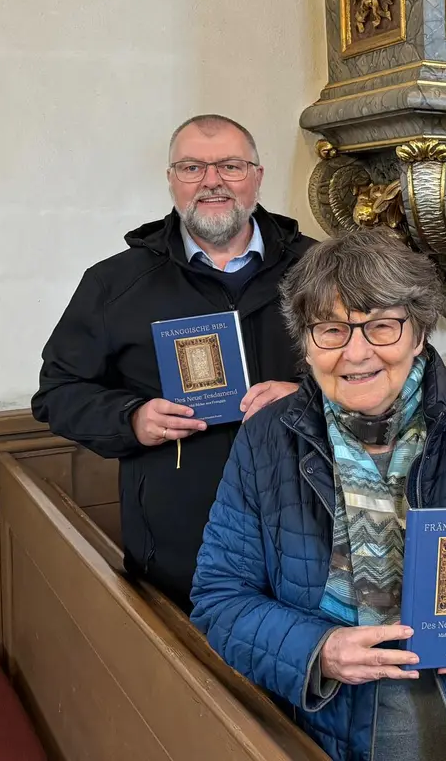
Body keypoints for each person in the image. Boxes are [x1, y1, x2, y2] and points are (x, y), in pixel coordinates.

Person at [189, 228, 446, 761]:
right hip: (336, 717)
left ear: (419, 332)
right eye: (331, 330)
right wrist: (318, 651)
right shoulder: (265, 441)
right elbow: (220, 596)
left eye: (381, 326)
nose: (356, 353)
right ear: (306, 343)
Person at [32, 114, 313, 610]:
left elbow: (388, 373)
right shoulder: (114, 284)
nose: (211, 181)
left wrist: (310, 396)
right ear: (171, 180)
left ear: (257, 176)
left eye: (230, 165)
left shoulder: (320, 270)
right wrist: (131, 419)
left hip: (312, 530)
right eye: (191, 167)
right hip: (179, 549)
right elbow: (58, 391)